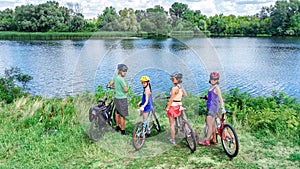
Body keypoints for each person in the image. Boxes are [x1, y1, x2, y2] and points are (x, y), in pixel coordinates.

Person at [199, 72, 226, 146]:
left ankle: (207, 141)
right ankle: (214, 139)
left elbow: (220, 98)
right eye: (211, 79)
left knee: (209, 125)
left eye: (215, 79)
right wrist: (205, 97)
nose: (213, 80)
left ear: (217, 80)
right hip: (210, 107)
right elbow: (212, 97)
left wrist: (222, 107)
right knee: (213, 125)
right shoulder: (211, 87)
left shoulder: (216, 88)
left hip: (212, 108)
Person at [166, 73, 187, 145]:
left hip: (173, 106)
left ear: (177, 80)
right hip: (179, 105)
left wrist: (167, 108)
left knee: (172, 124)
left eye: (173, 79)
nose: (172, 80)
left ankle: (173, 139)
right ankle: (188, 130)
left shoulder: (174, 88)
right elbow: (185, 95)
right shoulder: (180, 87)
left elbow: (171, 99)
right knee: (183, 118)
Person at [110, 64, 129, 135]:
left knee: (117, 113)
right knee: (122, 115)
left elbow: (111, 84)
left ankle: (117, 127)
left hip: (116, 98)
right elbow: (126, 90)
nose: (125, 73)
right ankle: (123, 131)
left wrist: (116, 87)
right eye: (124, 71)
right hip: (122, 99)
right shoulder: (121, 80)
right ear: (120, 71)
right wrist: (125, 89)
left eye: (126, 71)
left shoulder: (116, 77)